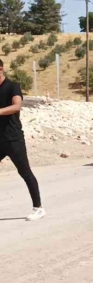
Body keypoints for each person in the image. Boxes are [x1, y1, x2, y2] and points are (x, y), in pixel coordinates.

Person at [0, 58, 44, 221]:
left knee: (25, 172)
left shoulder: (13, 86)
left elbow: (16, 106)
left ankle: (38, 207)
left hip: (13, 139)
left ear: (1, 69)